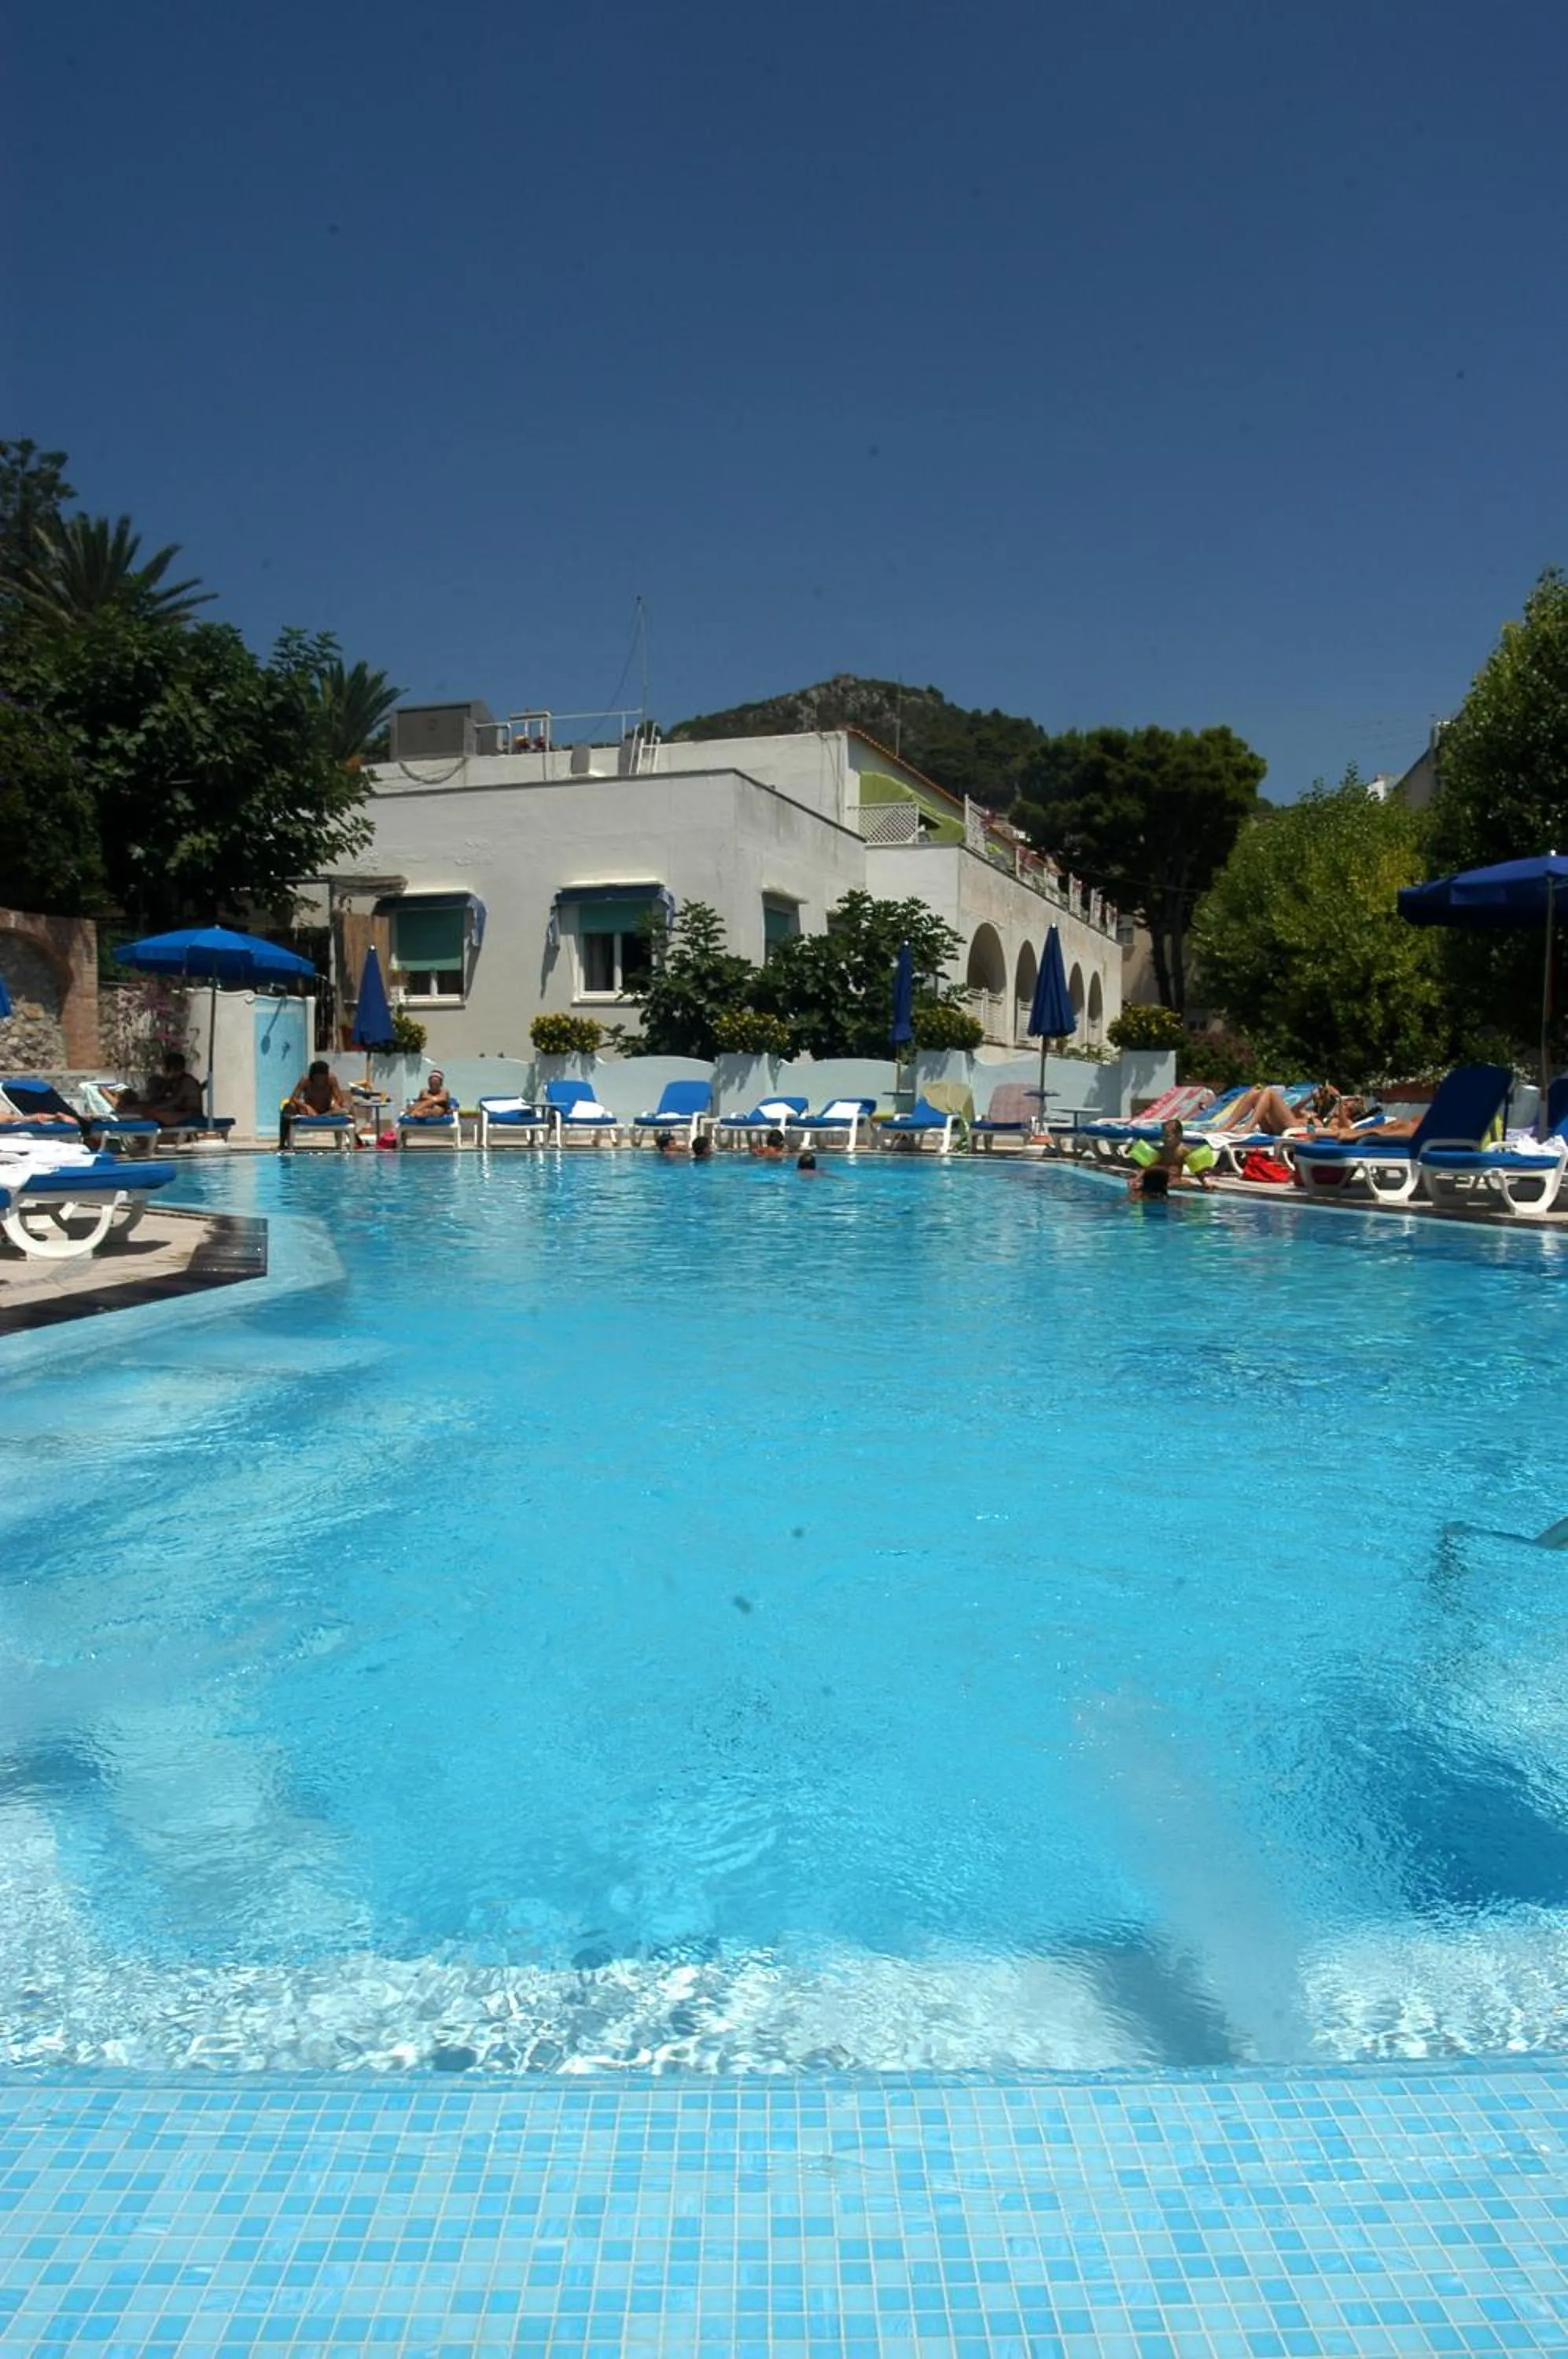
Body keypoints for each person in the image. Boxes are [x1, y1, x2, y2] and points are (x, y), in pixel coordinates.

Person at [114, 1050, 205, 1127]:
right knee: (146, 1109)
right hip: (178, 1112)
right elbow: (160, 1098)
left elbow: (174, 1101)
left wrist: (155, 1107)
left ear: (172, 1068)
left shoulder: (187, 1082)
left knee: (152, 1112)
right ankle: (124, 1113)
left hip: (190, 1115)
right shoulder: (175, 1081)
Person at [280, 1060, 348, 1148]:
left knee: (344, 1109)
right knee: (288, 1108)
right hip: (308, 1113)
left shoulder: (331, 1080)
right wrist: (307, 1107)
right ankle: (282, 1144)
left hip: (327, 1111)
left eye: (322, 1078)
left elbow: (340, 1098)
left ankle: (351, 1142)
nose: (320, 1081)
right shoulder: (306, 1080)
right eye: (317, 1078)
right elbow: (293, 1098)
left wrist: (335, 1104)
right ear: (312, 1076)